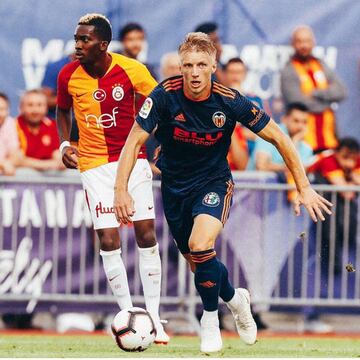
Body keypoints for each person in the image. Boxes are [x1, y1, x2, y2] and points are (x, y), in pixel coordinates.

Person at [113, 32, 332, 353]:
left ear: (214, 66)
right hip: (174, 188)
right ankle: (235, 299)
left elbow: (280, 138)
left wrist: (304, 187)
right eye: (188, 65)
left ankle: (210, 321)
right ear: (181, 67)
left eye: (202, 64)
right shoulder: (163, 95)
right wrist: (121, 189)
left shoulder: (231, 100)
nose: (194, 72)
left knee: (201, 245)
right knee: (198, 262)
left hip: (214, 183)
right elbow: (133, 142)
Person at [56, 13, 169, 344]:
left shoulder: (131, 69)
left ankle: (154, 319)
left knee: (146, 235)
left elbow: (161, 102)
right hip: (93, 166)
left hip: (133, 160)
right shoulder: (67, 75)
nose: (78, 45)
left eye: (85, 40)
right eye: (77, 39)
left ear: (102, 45)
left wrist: (163, 143)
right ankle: (128, 314)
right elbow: (62, 111)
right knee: (108, 241)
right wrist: (65, 143)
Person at [304, 137, 360, 333]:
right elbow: (347, 192)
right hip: (315, 222)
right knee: (316, 265)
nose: (350, 162)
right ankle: (310, 317)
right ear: (338, 153)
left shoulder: (354, 162)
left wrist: (350, 175)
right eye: (345, 157)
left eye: (353, 158)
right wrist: (350, 177)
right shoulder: (327, 159)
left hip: (341, 225)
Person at [280, 25, 347, 153]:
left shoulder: (321, 65)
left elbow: (341, 91)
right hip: (304, 141)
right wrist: (327, 103)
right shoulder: (288, 70)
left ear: (313, 42)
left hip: (330, 139)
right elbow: (298, 103)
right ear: (293, 44)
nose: (304, 45)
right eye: (299, 41)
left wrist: (316, 93)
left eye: (307, 41)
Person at [16, 89, 64, 172]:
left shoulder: (53, 126)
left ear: (46, 108)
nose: (35, 110)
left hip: (48, 182)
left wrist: (60, 161)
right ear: (21, 108)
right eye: (30, 105)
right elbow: (17, 159)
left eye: (40, 105)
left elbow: (58, 157)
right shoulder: (14, 126)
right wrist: (49, 164)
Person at [0, 92, 20, 175]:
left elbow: (15, 154)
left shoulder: (10, 123)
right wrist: (3, 164)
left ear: (8, 111)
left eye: (1, 109)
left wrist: (8, 164)